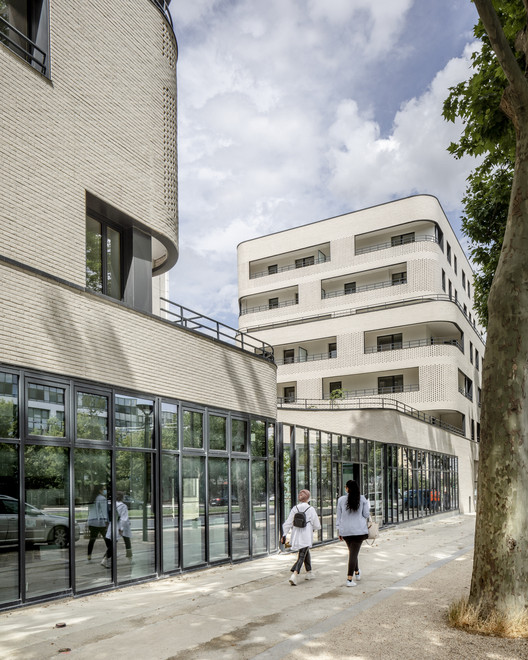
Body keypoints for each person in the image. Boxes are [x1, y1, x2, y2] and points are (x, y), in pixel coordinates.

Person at [281, 489, 321, 586]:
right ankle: (294, 575)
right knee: (302, 554)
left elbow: (288, 522)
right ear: (308, 498)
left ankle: (309, 572)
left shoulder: (295, 508)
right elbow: (317, 524)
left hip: (297, 535)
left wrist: (284, 534)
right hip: (306, 535)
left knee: (305, 551)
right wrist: (313, 528)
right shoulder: (310, 509)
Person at [336, 480, 369, 587]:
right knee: (353, 554)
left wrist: (339, 530)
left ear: (347, 489)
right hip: (358, 531)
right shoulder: (362, 499)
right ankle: (349, 579)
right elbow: (366, 514)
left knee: (353, 553)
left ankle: (357, 572)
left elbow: (339, 517)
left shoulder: (341, 500)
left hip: (345, 531)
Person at [101, 491, 133, 567]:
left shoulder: (111, 504)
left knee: (113, 542)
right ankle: (129, 558)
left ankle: (105, 558)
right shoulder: (123, 506)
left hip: (112, 525)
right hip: (120, 526)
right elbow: (124, 519)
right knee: (127, 542)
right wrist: (121, 528)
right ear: (122, 497)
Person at [86, 485, 110, 561]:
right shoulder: (102, 498)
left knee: (92, 540)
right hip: (100, 522)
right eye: (104, 489)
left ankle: (89, 556)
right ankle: (109, 554)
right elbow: (104, 511)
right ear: (99, 490)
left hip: (92, 522)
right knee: (107, 539)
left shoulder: (92, 499)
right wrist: (107, 522)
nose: (105, 490)